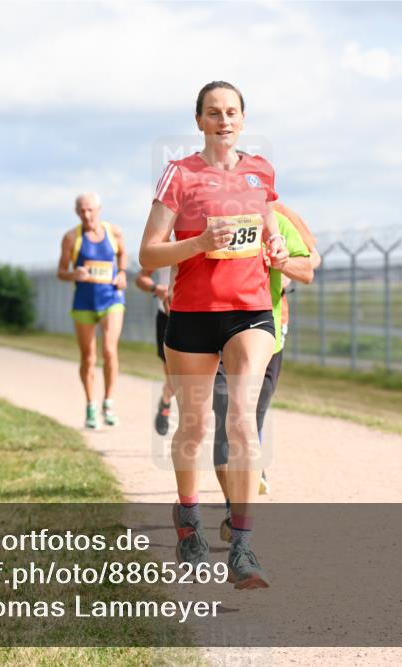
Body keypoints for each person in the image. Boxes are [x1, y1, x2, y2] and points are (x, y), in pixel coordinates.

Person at [139, 81, 288, 589]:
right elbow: (149, 254)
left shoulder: (260, 172)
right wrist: (200, 242)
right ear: (199, 121)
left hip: (250, 311)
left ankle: (243, 547)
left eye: (231, 112)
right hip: (193, 313)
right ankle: (188, 520)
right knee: (196, 428)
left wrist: (275, 245)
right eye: (213, 113)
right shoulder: (180, 176)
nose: (223, 120)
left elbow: (268, 221)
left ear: (243, 120)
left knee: (243, 423)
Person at [214, 204, 319, 539]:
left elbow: (311, 259)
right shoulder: (208, 210)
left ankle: (241, 502)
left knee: (250, 414)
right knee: (223, 414)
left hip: (268, 325)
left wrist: (283, 264)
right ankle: (236, 503)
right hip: (215, 328)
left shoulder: (278, 212)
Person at [57, 193, 127, 429]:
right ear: (76, 212)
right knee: (88, 357)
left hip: (112, 299)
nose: (86, 215)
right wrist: (73, 274)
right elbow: (61, 271)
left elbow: (122, 254)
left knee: (109, 349)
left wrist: (123, 273)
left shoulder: (114, 232)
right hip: (84, 302)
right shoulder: (70, 238)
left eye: (90, 210)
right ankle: (90, 405)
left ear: (99, 209)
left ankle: (108, 401)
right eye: (81, 211)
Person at [135, 265, 174, 435]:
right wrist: (155, 288)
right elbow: (141, 278)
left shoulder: (206, 239)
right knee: (175, 380)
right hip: (167, 317)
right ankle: (165, 402)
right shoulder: (164, 240)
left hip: (202, 315)